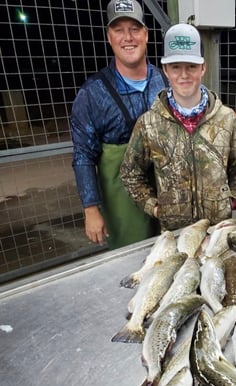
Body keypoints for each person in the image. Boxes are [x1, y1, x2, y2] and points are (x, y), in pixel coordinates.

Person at [120, 23, 236, 231]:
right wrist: (154, 207)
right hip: (174, 234)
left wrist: (232, 198)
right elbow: (130, 173)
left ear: (203, 68)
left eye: (191, 66)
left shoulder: (226, 118)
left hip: (218, 232)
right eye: (176, 67)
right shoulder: (149, 123)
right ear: (165, 70)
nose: (184, 75)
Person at [70, 0, 167, 249]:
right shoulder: (92, 94)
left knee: (171, 252)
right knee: (132, 261)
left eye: (134, 29)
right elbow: (83, 156)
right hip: (121, 198)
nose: (128, 37)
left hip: (167, 187)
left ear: (145, 34)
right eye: (119, 30)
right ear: (109, 37)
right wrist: (90, 208)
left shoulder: (165, 80)